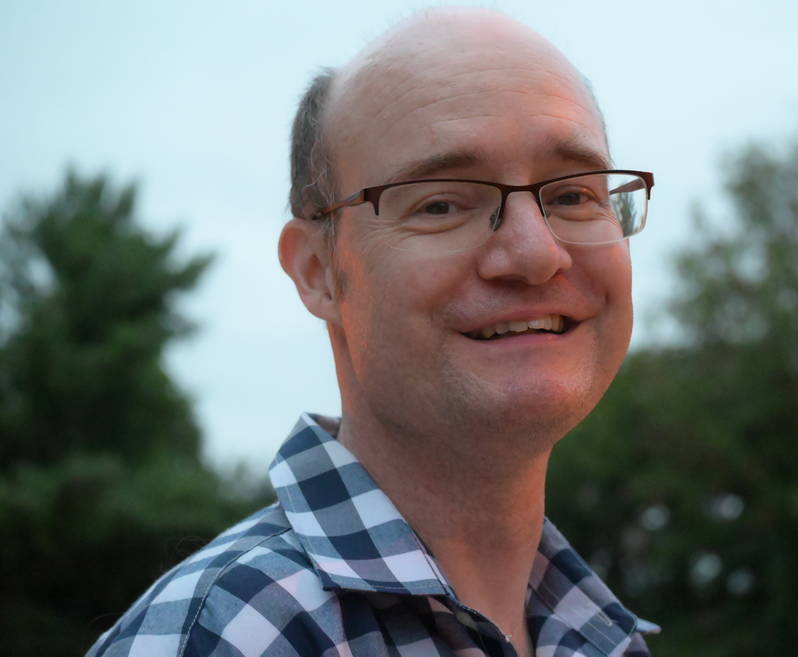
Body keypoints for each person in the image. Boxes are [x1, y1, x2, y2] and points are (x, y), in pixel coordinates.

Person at [87, 7, 658, 657]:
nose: (535, 252)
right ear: (318, 271)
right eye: (441, 203)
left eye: (572, 194)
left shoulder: (599, 638)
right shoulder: (228, 636)